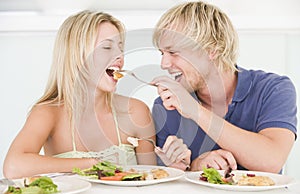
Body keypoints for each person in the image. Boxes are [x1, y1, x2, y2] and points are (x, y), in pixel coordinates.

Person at [3, 10, 157, 179]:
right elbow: (13, 167)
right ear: (77, 55)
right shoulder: (48, 113)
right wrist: (89, 164)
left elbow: (151, 179)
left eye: (120, 47)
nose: (119, 56)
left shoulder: (137, 112)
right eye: (106, 47)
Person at [151, 1, 297, 173]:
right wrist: (194, 167)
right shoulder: (166, 106)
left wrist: (195, 111)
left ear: (211, 50)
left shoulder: (273, 89)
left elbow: (271, 161)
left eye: (173, 52)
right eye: (162, 53)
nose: (164, 64)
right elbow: (168, 183)